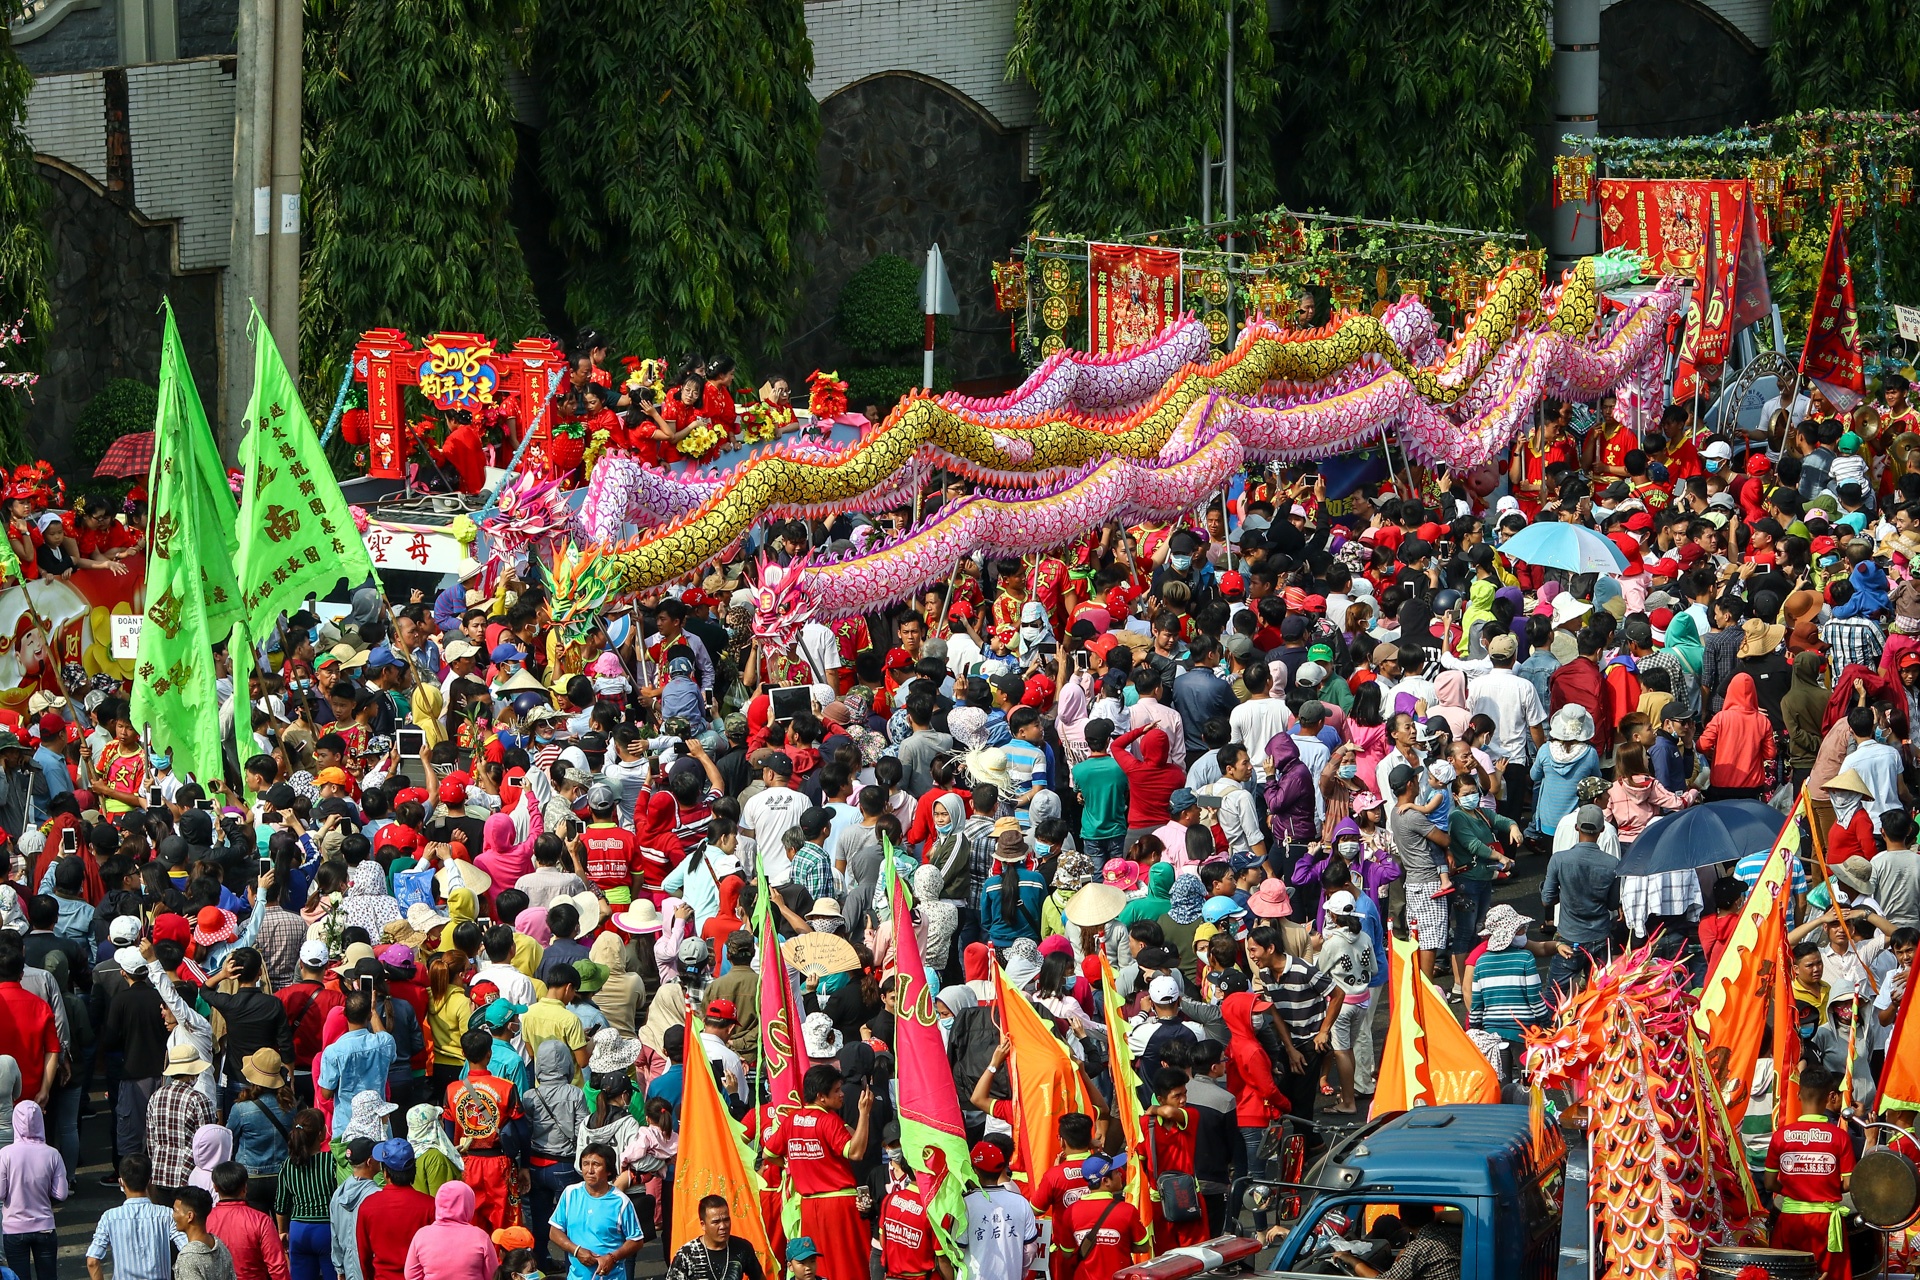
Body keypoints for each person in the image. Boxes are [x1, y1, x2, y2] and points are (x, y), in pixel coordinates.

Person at [764, 1065, 871, 1280]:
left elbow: (768, 1153)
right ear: (822, 1097)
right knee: (849, 1267)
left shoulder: (792, 1120)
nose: (842, 1094)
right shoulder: (828, 1121)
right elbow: (856, 1152)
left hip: (809, 1206)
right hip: (840, 1207)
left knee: (818, 1268)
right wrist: (864, 1114)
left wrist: (793, 1164)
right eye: (837, 1090)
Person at [1765, 1069, 1854, 1280]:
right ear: (1829, 1097)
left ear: (1798, 1095)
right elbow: (1849, 1184)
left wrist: (1791, 1190)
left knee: (1787, 1275)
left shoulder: (1780, 1136)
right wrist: (1828, 1188)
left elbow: (1769, 1183)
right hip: (1826, 1224)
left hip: (1790, 1221)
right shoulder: (1840, 1138)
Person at [548, 1142, 644, 1280]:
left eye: (596, 1165)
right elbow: (554, 1232)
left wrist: (612, 1258)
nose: (590, 1170)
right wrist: (576, 1250)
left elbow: (636, 1240)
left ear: (609, 1170)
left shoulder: (621, 1202)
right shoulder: (570, 1194)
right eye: (585, 1164)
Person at [0, 1101, 65, 1280]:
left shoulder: (5, 1154)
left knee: (18, 1277)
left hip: (14, 1229)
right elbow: (61, 1194)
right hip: (45, 1227)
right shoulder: (53, 1154)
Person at [960, 1139, 1039, 1280]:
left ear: (975, 1171)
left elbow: (957, 1250)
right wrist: (1018, 1270)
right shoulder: (1021, 1202)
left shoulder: (966, 1204)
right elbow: (1031, 1249)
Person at [1063, 1154, 1147, 1280]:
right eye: (1117, 1172)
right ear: (1105, 1181)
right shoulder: (1127, 1211)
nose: (1121, 1175)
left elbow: (1066, 1252)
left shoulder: (1070, 1212)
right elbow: (1144, 1246)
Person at [403, 1184, 498, 1280]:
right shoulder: (480, 1237)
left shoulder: (421, 1235)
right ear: (469, 1204)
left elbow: (411, 1275)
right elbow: (493, 1275)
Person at [664, 1196, 764, 1280]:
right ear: (703, 1225)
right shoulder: (687, 1254)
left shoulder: (742, 1248)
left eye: (726, 1220)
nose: (723, 1226)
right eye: (716, 1222)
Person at [174, 1186, 239, 1280]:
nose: (173, 1216)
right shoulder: (220, 1246)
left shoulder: (188, 1258)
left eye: (176, 1211)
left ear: (190, 1216)